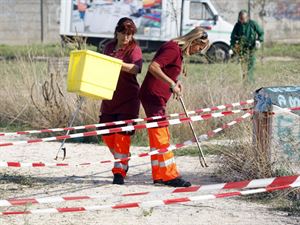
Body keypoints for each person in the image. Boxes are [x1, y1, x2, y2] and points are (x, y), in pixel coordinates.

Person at [139, 27, 209, 187]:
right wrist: (171, 83)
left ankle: (158, 175)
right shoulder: (173, 49)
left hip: (157, 96)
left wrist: (175, 82)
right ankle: (170, 176)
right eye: (199, 48)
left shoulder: (177, 51)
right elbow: (154, 67)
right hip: (153, 96)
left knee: (157, 135)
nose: (198, 51)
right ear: (194, 41)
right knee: (161, 136)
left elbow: (167, 71)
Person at [100, 17, 143, 185]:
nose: (126, 38)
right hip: (110, 97)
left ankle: (119, 170)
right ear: (117, 32)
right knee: (105, 132)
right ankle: (123, 158)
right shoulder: (108, 47)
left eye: (130, 34)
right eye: (124, 33)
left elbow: (136, 69)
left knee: (122, 134)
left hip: (129, 98)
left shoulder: (134, 49)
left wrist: (117, 63)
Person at [229, 10, 264, 84]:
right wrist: (232, 47)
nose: (242, 20)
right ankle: (245, 81)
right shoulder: (237, 26)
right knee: (243, 66)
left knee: (251, 65)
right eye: (240, 18)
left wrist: (259, 41)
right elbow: (233, 37)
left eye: (243, 18)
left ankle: (250, 82)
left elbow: (261, 32)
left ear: (247, 17)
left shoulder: (253, 24)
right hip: (242, 49)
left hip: (252, 48)